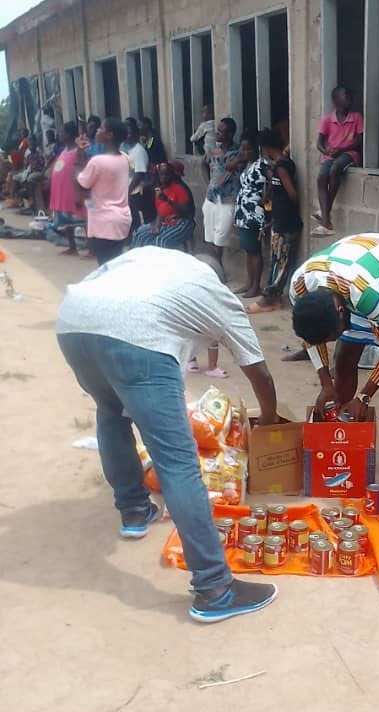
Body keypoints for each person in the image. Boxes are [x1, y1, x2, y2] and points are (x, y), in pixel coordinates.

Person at [56, 248, 280, 623]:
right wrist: (271, 420)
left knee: (111, 411)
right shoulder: (216, 293)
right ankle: (215, 589)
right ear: (217, 278)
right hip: (136, 335)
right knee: (177, 460)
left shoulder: (152, 258)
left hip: (73, 324)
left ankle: (134, 512)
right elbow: (258, 370)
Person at [290, 233, 379, 490]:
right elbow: (311, 339)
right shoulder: (300, 288)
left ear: (340, 311)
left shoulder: (365, 295)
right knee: (345, 354)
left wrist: (364, 398)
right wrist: (326, 383)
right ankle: (343, 439)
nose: (334, 337)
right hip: (355, 280)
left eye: (333, 333)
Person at [247, 128, 302, 314]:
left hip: (286, 221)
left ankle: (269, 298)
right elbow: (271, 196)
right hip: (280, 220)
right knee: (277, 260)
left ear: (264, 148)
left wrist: (284, 208)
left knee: (281, 262)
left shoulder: (281, 166)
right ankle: (273, 298)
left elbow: (292, 193)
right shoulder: (277, 165)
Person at [73, 117, 132, 265]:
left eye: (101, 129)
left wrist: (79, 153)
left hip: (104, 222)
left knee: (105, 267)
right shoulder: (124, 159)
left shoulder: (97, 161)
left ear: (109, 135)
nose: (97, 131)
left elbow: (80, 181)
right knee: (114, 265)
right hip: (121, 219)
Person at [315, 86, 364, 236]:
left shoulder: (356, 117)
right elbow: (319, 143)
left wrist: (341, 149)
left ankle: (324, 217)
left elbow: (359, 142)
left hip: (349, 154)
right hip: (331, 155)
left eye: (349, 96)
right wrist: (326, 151)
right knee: (322, 176)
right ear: (336, 100)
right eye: (345, 96)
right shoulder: (328, 120)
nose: (348, 99)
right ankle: (326, 220)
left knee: (335, 169)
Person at [232, 133, 267, 298]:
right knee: (247, 249)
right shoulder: (247, 164)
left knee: (254, 249)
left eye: (248, 148)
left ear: (257, 148)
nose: (245, 151)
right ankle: (249, 282)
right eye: (243, 148)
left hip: (254, 212)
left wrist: (266, 202)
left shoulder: (262, 164)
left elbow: (269, 183)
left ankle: (256, 286)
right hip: (243, 212)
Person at [132, 161, 195, 251]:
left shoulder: (180, 189)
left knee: (161, 240)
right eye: (161, 174)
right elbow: (160, 212)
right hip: (165, 222)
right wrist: (157, 226)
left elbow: (185, 213)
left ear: (172, 175)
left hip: (182, 222)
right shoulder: (161, 189)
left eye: (166, 174)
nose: (163, 177)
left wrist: (167, 200)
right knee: (140, 236)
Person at [202, 117, 240, 262]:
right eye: (217, 131)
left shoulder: (237, 152)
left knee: (221, 236)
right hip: (212, 197)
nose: (217, 134)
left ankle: (218, 267)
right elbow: (203, 164)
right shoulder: (214, 149)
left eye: (221, 132)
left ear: (230, 134)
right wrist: (208, 184)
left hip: (228, 199)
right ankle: (215, 267)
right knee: (210, 236)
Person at [48, 121, 86, 256]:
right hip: (62, 192)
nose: (60, 134)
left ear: (69, 135)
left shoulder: (79, 150)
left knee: (83, 220)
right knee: (67, 221)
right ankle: (72, 247)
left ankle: (92, 250)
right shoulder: (64, 149)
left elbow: (81, 170)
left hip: (73, 191)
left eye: (62, 132)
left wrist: (80, 193)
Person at [124, 117, 152, 230]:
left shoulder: (139, 151)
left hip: (136, 193)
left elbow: (139, 174)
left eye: (129, 133)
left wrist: (128, 191)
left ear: (136, 134)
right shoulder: (128, 149)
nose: (127, 136)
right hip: (130, 192)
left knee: (138, 222)